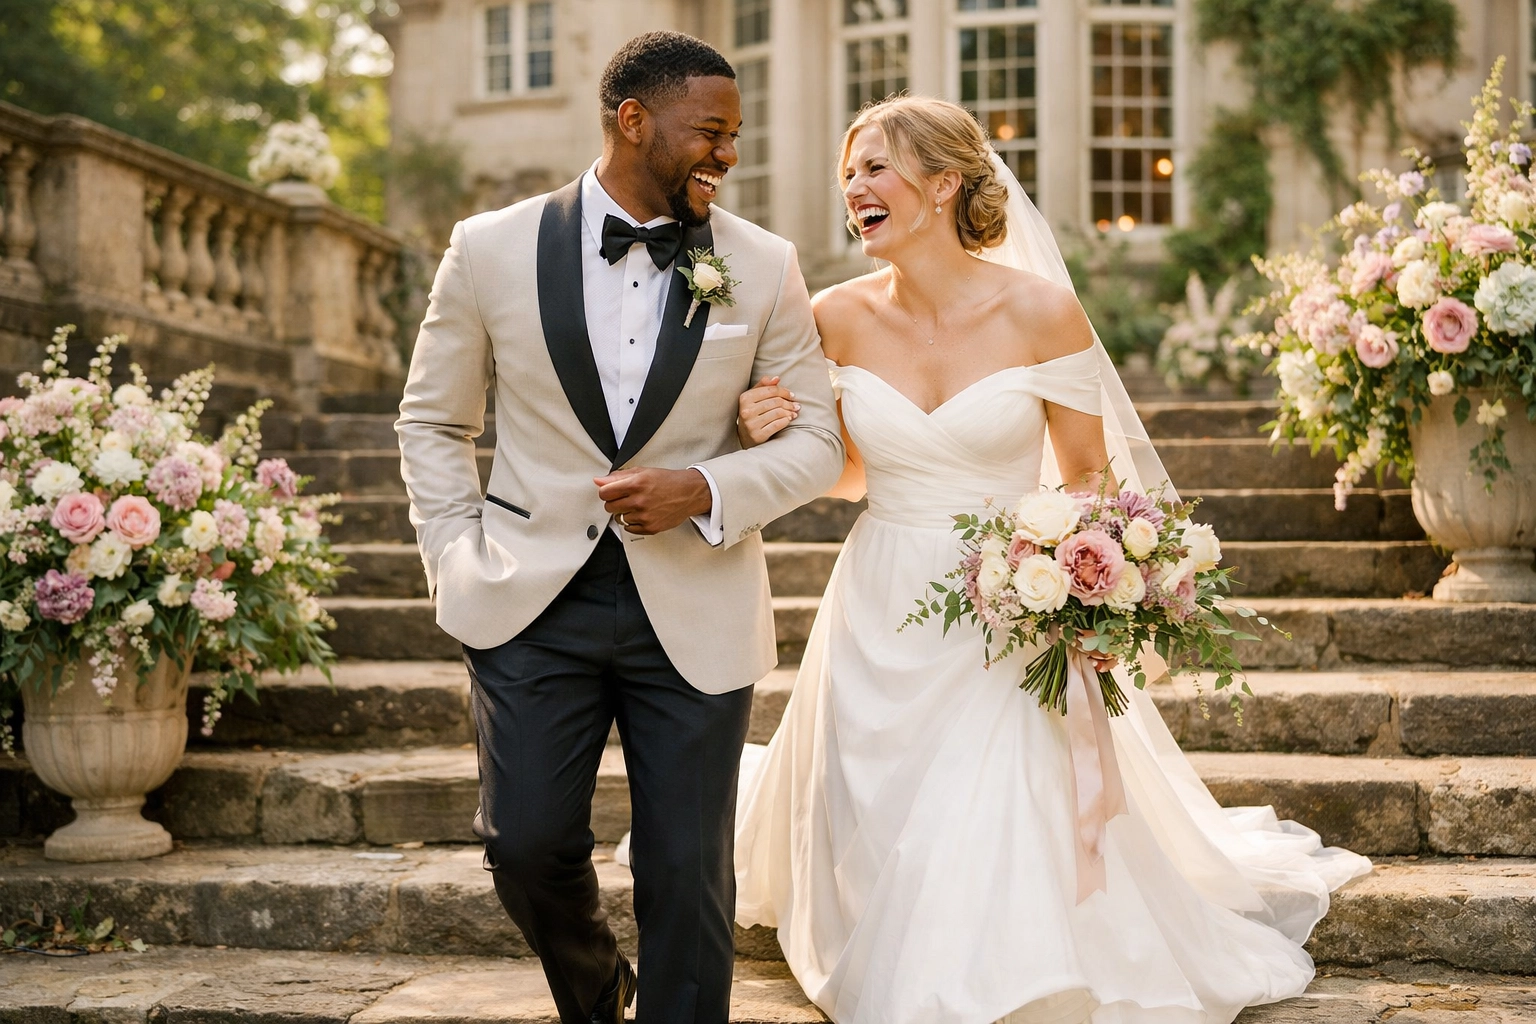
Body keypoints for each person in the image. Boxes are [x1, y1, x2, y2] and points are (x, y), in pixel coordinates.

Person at [730, 95, 1372, 1024]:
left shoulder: (1041, 311)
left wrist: (1085, 586)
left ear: (944, 182)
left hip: (1008, 604)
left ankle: (995, 973)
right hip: (881, 597)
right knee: (889, 806)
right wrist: (770, 430)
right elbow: (848, 472)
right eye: (848, 176)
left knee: (995, 797)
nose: (854, 190)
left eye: (874, 168)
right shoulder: (832, 316)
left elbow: (1090, 481)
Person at [395, 31, 844, 1024]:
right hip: (527, 596)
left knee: (687, 873)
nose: (727, 153)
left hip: (694, 599)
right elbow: (433, 420)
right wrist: (451, 552)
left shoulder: (764, 265)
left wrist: (706, 487)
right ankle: (598, 995)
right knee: (526, 845)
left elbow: (816, 440)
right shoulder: (489, 246)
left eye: (735, 134)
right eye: (710, 132)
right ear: (632, 119)